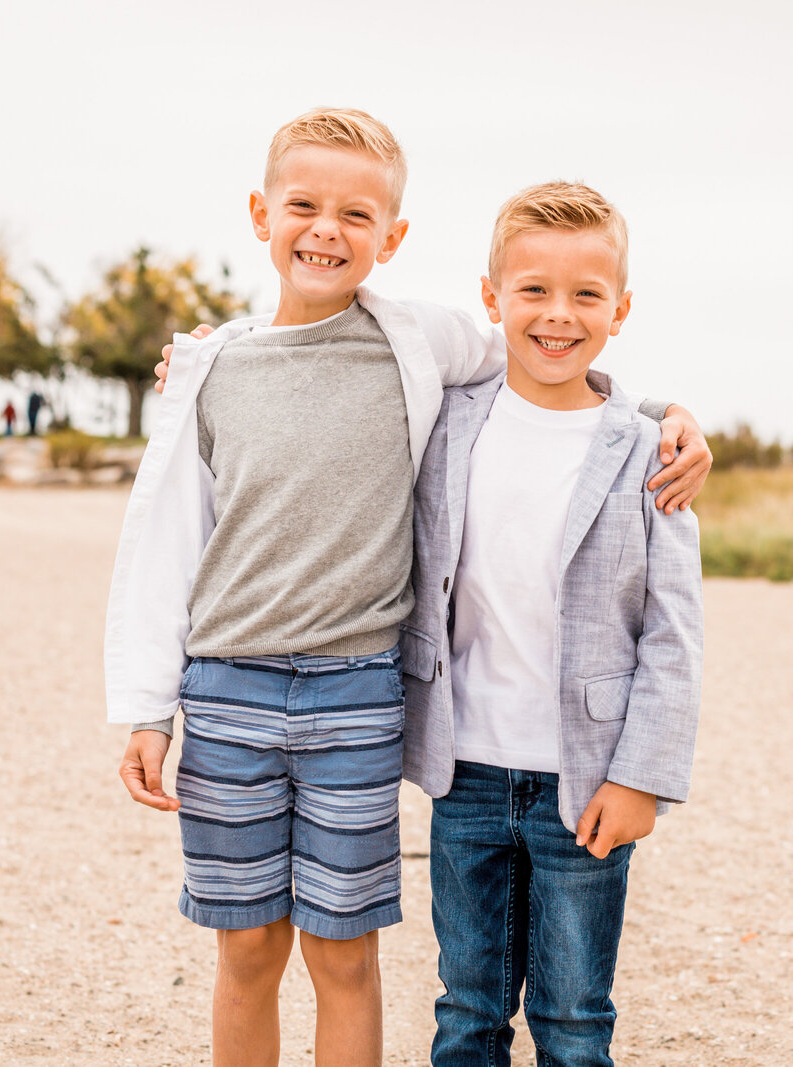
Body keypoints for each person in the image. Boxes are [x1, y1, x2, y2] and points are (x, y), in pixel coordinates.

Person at [109, 108, 711, 1067]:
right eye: (303, 205)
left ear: (392, 237)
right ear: (261, 213)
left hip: (357, 692)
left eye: (357, 214)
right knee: (248, 950)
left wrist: (668, 413)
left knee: (345, 955)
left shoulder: (418, 341)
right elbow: (170, 542)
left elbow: (550, 361)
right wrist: (146, 706)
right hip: (228, 691)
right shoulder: (210, 369)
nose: (325, 230)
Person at [402, 182, 702, 1065]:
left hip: (588, 782)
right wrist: (207, 357)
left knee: (574, 1019)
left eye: (585, 295)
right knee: (467, 1009)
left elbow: (672, 634)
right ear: (491, 297)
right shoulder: (448, 423)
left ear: (622, 307)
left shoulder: (651, 451)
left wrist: (642, 776)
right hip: (467, 771)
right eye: (532, 290)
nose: (558, 315)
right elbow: (343, 336)